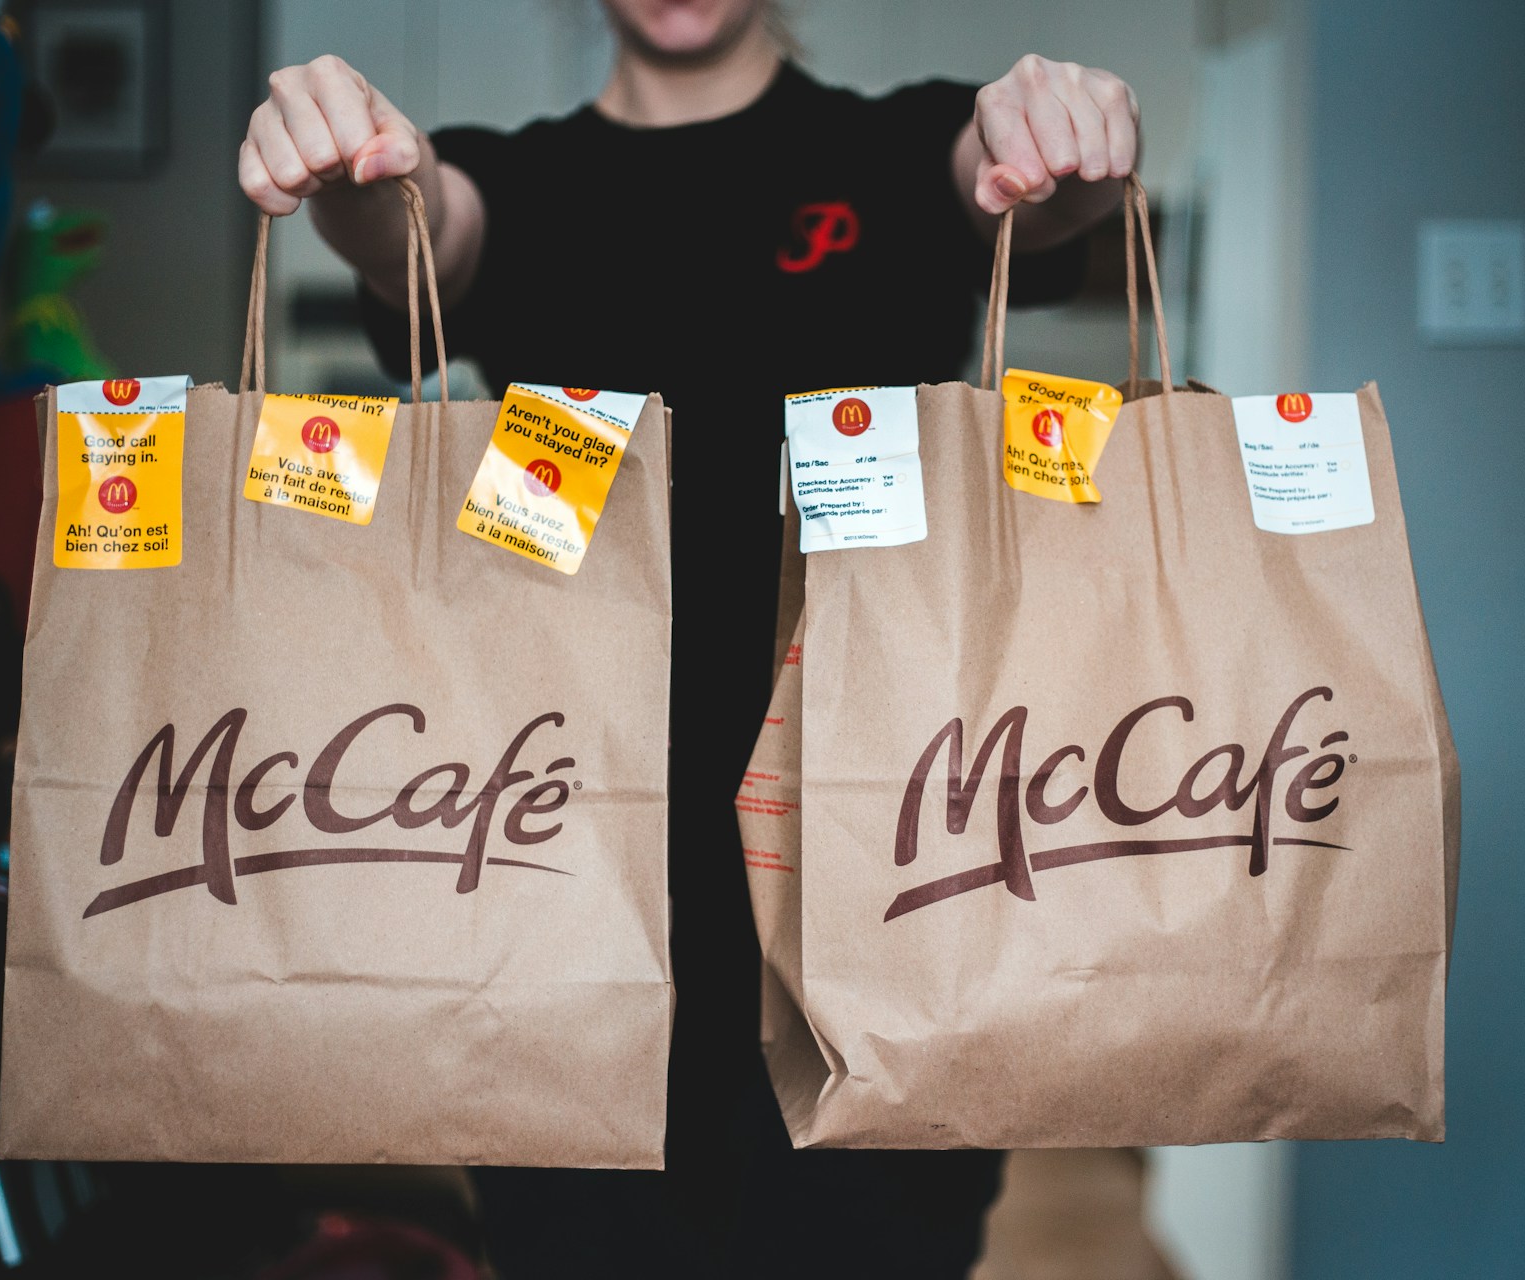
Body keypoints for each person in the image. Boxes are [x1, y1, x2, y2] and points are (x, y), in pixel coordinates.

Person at [241, 2, 1140, 1275]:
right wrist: (357, 171)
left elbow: (1018, 193)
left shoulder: (905, 148)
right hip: (568, 876)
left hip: (881, 874)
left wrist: (1060, 136)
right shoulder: (518, 177)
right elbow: (422, 222)